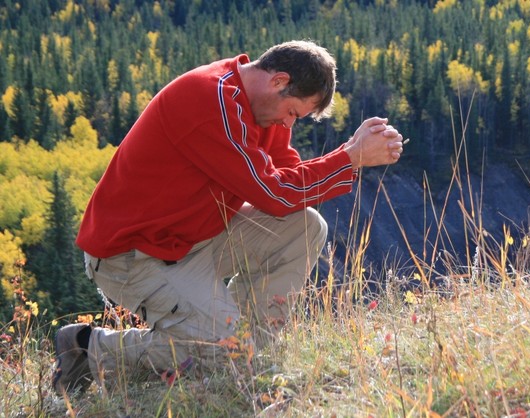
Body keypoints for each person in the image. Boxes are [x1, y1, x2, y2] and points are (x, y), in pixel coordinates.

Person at [52, 40, 404, 394]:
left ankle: (249, 350)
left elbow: (286, 176)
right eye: (293, 112)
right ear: (279, 80)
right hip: (133, 254)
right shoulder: (211, 101)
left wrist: (349, 157)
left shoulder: (262, 105)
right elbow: (275, 194)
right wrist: (350, 157)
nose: (288, 122)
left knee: (306, 226)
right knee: (227, 353)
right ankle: (88, 348)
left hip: (193, 238)